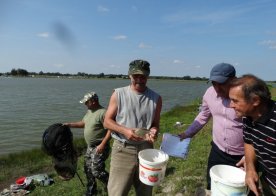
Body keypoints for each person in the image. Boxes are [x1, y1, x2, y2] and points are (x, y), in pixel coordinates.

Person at [178, 63, 245, 192]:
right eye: (214, 83)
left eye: (222, 83)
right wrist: (188, 133)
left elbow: (256, 125)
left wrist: (250, 156)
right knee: (214, 185)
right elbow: (203, 115)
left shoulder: (244, 96)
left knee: (237, 190)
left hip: (242, 155)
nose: (217, 88)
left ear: (234, 80)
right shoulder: (209, 93)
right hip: (218, 151)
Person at [103, 59, 162, 196]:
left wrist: (154, 130)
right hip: (123, 149)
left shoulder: (156, 98)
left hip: (146, 149)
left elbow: (155, 124)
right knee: (117, 192)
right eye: (136, 76)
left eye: (143, 76)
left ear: (148, 76)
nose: (139, 80)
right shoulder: (118, 94)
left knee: (145, 192)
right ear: (129, 75)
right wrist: (125, 131)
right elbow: (107, 122)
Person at [229, 74, 276, 196]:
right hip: (268, 180)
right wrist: (250, 169)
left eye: (235, 101)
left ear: (255, 100)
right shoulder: (248, 116)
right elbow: (249, 142)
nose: (230, 105)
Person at [63, 92, 111, 196]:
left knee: (96, 171)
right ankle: (91, 191)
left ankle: (111, 185)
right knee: (88, 169)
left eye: (86, 102)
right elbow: (83, 123)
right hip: (90, 147)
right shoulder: (90, 111)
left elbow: (111, 130)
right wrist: (69, 125)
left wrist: (103, 144)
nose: (85, 104)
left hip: (100, 146)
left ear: (93, 101)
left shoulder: (103, 113)